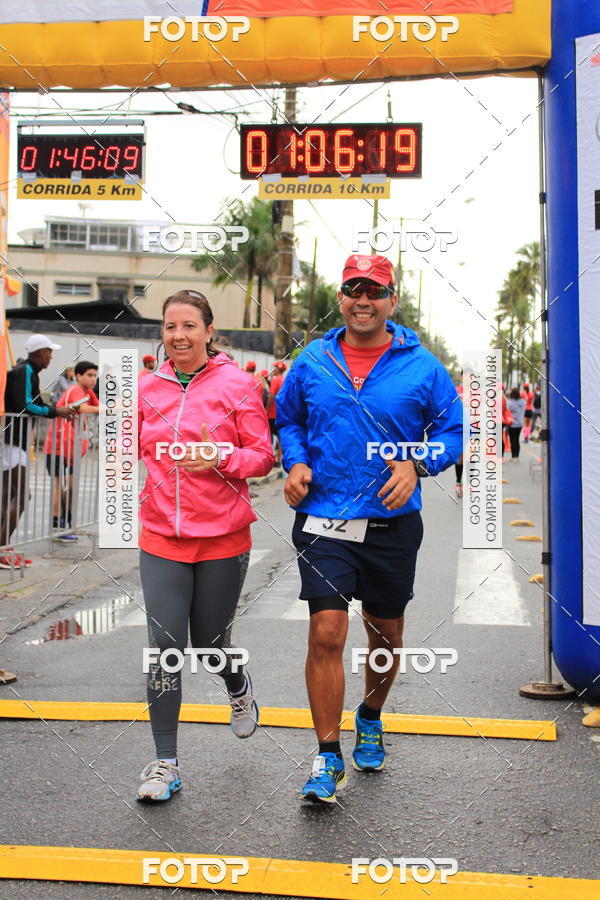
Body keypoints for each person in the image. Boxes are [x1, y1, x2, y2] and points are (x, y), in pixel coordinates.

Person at [276, 254, 463, 804]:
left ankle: (372, 714)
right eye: (354, 288)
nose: (364, 299)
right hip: (324, 517)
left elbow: (454, 431)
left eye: (374, 290)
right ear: (341, 298)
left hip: (390, 524)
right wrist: (295, 462)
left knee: (386, 634)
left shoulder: (422, 366)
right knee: (326, 633)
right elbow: (288, 419)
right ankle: (327, 756)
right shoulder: (313, 358)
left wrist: (417, 463)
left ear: (391, 300)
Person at [136, 289, 274, 802]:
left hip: (222, 537)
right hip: (161, 538)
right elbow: (128, 448)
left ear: (209, 331)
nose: (179, 335)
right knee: (165, 650)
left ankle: (237, 688)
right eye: (171, 326)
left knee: (211, 644)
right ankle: (164, 763)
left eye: (189, 325)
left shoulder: (239, 385)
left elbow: (261, 456)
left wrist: (219, 456)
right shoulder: (148, 387)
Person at [1, 334, 75, 569]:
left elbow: (31, 403)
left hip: (15, 439)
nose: (51, 357)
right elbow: (26, 404)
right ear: (41, 352)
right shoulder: (26, 371)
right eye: (50, 352)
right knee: (22, 496)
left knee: (7, 496)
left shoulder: (27, 370)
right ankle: (2, 547)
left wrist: (55, 409)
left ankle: (4, 547)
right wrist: (55, 411)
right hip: (13, 440)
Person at [42, 361, 99, 543]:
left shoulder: (86, 392)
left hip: (71, 447)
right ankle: (58, 527)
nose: (93, 379)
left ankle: (67, 524)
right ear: (78, 376)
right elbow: (82, 409)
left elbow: (96, 407)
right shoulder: (75, 390)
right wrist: (108, 408)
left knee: (70, 487)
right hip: (59, 446)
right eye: (89, 375)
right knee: (61, 487)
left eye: (94, 375)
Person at [266, 361, 286, 467]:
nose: (272, 370)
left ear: (278, 369)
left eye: (274, 368)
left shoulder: (275, 379)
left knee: (269, 437)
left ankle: (271, 459)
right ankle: (278, 460)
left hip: (273, 413)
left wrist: (266, 410)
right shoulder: (285, 379)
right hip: (282, 412)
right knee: (279, 437)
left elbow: (271, 396)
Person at [507, 387, 526, 459]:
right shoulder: (523, 402)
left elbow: (507, 410)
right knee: (517, 439)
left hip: (511, 424)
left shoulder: (509, 403)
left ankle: (513, 456)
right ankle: (517, 456)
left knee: (512, 440)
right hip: (519, 424)